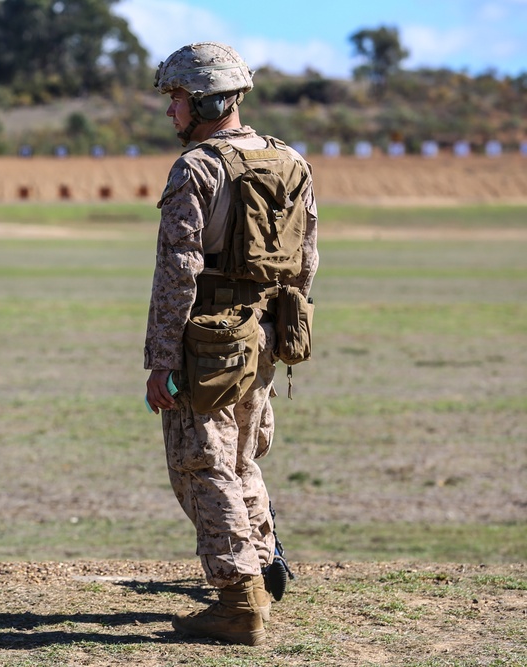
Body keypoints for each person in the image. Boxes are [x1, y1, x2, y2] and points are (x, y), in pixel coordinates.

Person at [144, 42, 318, 646]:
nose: (172, 112)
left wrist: (161, 362)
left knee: (203, 463)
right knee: (242, 455)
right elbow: (306, 259)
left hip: (209, 339)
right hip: (266, 331)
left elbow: (178, 272)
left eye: (179, 99)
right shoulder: (291, 161)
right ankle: (264, 567)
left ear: (209, 100)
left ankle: (239, 601)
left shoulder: (197, 168)